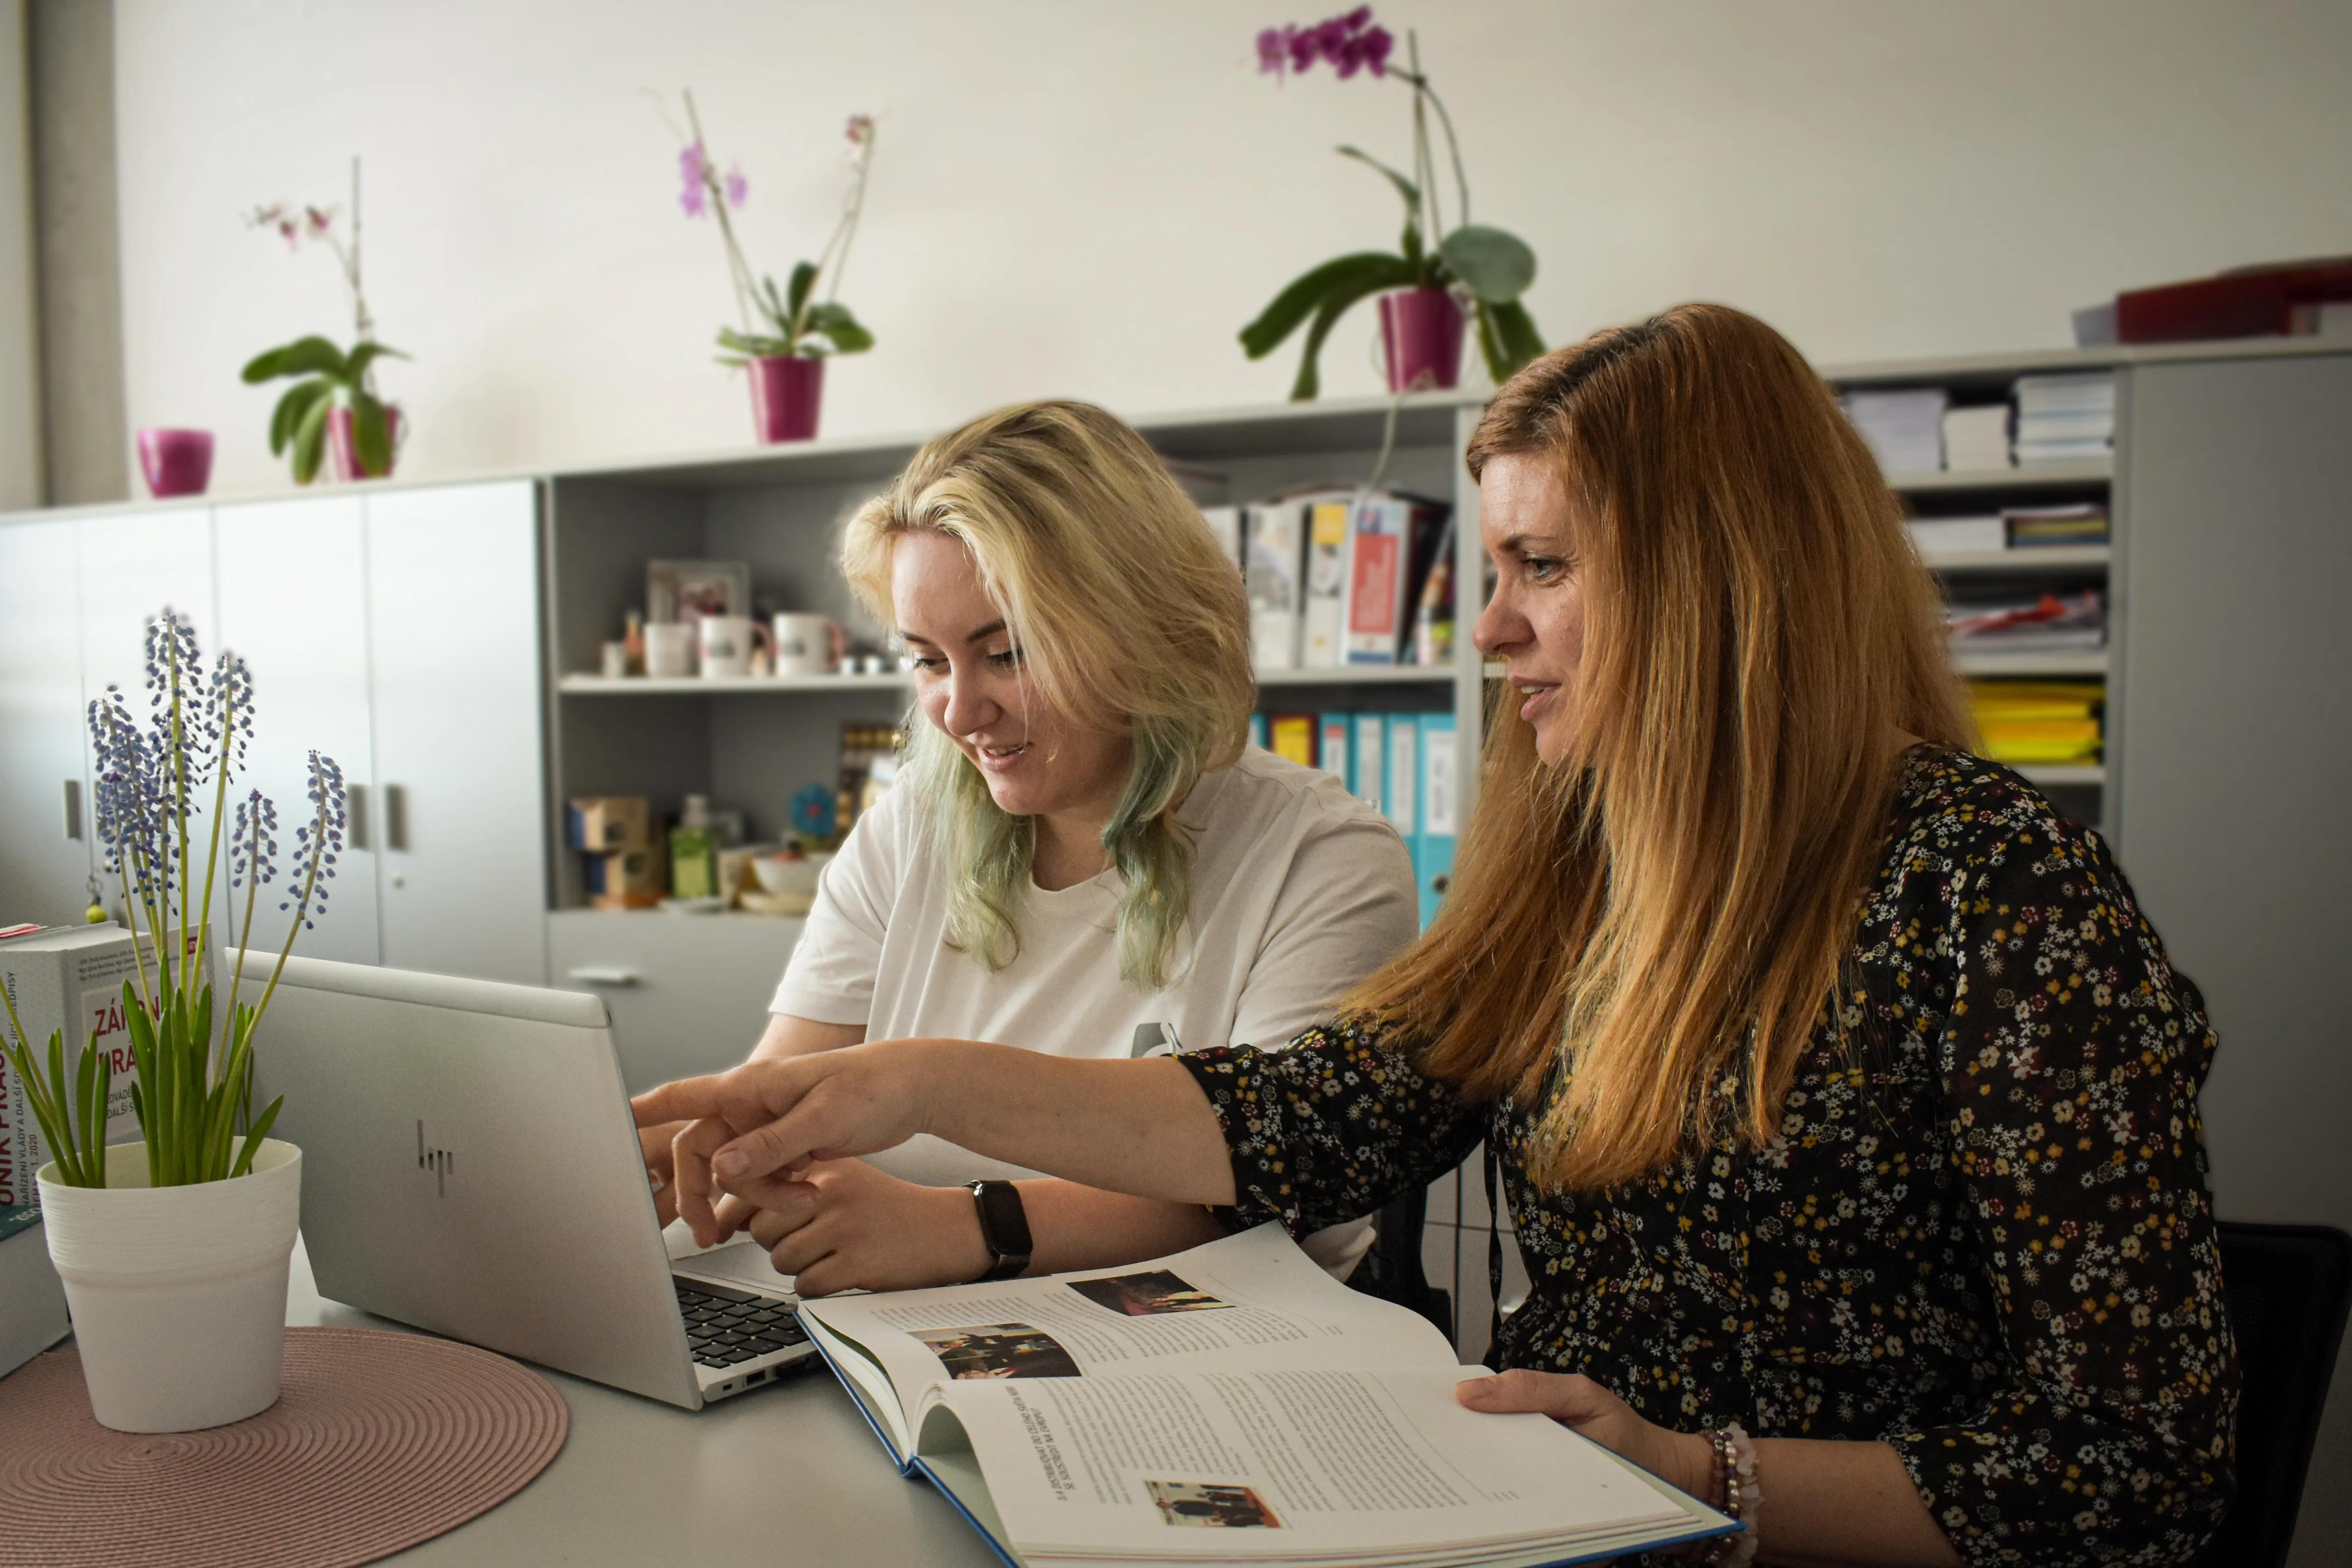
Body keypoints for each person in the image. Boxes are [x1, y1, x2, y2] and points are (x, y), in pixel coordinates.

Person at [642, 306, 2238, 1568]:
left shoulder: (1997, 896)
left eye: (1542, 566)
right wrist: (907, 1082)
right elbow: (1296, 1114)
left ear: (1723, 585)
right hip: (1569, 1506)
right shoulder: (1583, 872)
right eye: (1494, 568)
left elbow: (2137, 1478)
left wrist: (1702, 1475)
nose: (1487, 628)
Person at [639, 399, 1417, 1294]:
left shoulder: (1323, 857)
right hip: (910, 1315)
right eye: (929, 659)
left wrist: (964, 1226)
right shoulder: (911, 823)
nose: (961, 713)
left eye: (1006, 653)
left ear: (1145, 625)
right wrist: (667, 1153)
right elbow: (781, 1093)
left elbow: (1285, 1179)